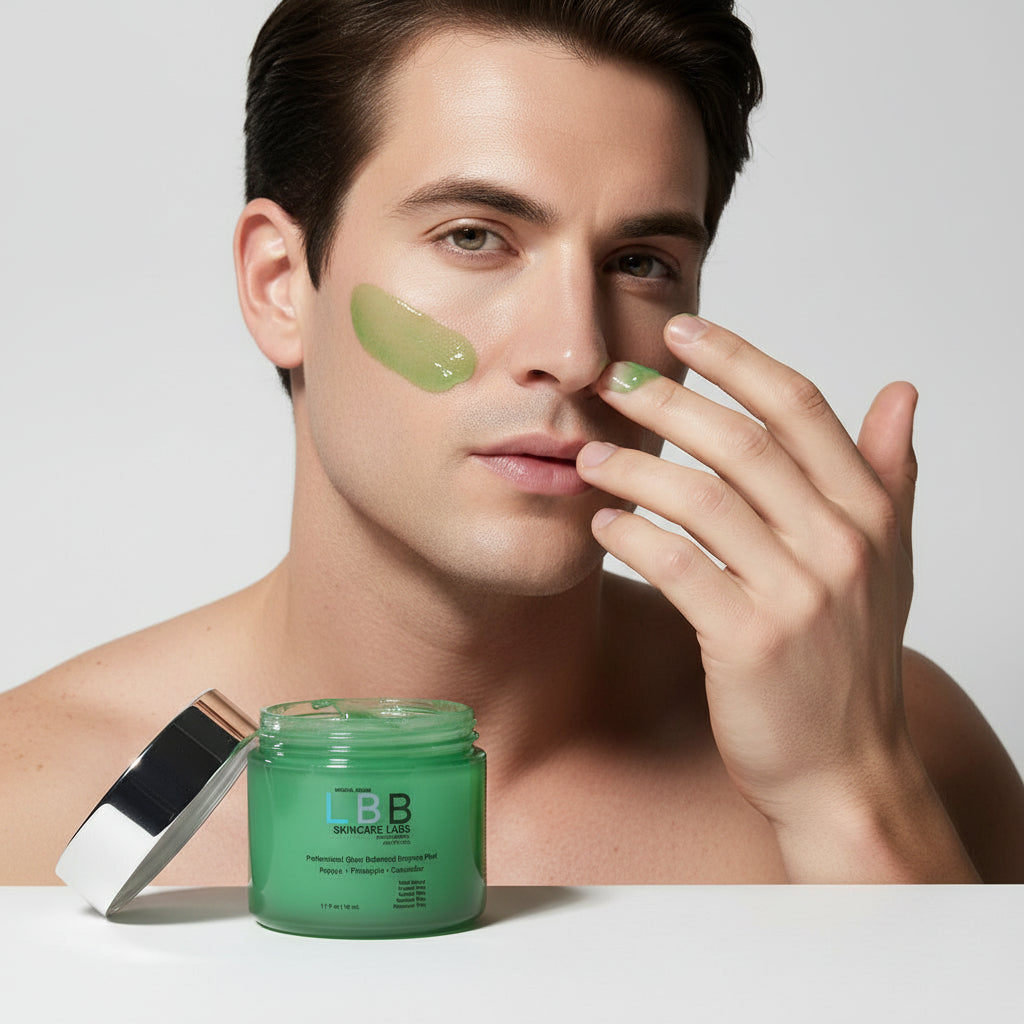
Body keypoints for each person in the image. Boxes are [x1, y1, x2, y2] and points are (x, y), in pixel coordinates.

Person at [3, 0, 1023, 885]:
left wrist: (850, 793)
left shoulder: (898, 749)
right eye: (474, 237)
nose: (576, 352)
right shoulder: (29, 804)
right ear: (280, 286)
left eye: (640, 261)